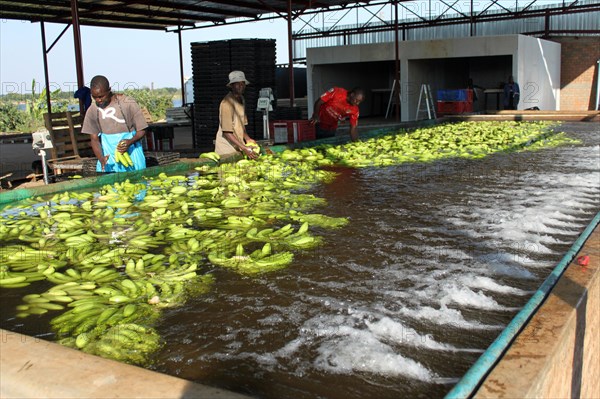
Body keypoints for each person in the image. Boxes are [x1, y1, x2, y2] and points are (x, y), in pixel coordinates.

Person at [81, 75, 147, 172]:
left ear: (109, 90)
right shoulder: (92, 110)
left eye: (101, 96)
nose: (98, 100)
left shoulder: (127, 103)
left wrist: (130, 141)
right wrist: (101, 159)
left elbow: (142, 130)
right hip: (109, 160)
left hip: (132, 155)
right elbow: (94, 139)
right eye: (94, 97)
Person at [214, 70, 259, 160]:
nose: (241, 86)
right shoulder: (226, 103)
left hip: (238, 146)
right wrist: (244, 147)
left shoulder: (241, 99)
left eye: (242, 83)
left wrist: (248, 139)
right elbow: (227, 132)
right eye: (237, 84)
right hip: (226, 148)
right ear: (231, 86)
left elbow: (242, 125)